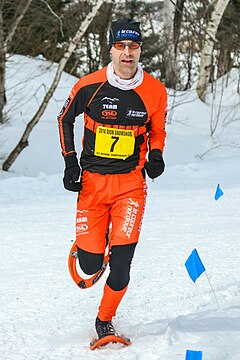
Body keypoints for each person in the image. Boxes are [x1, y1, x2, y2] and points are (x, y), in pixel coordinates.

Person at [57, 18, 167, 340]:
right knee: (91, 266)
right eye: (121, 46)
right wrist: (69, 163)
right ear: (111, 50)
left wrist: (156, 154)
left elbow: (157, 130)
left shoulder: (155, 91)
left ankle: (104, 320)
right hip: (91, 184)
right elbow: (64, 119)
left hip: (130, 185)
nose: (127, 53)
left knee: (121, 264)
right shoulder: (88, 86)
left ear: (140, 50)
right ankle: (93, 248)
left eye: (133, 47)